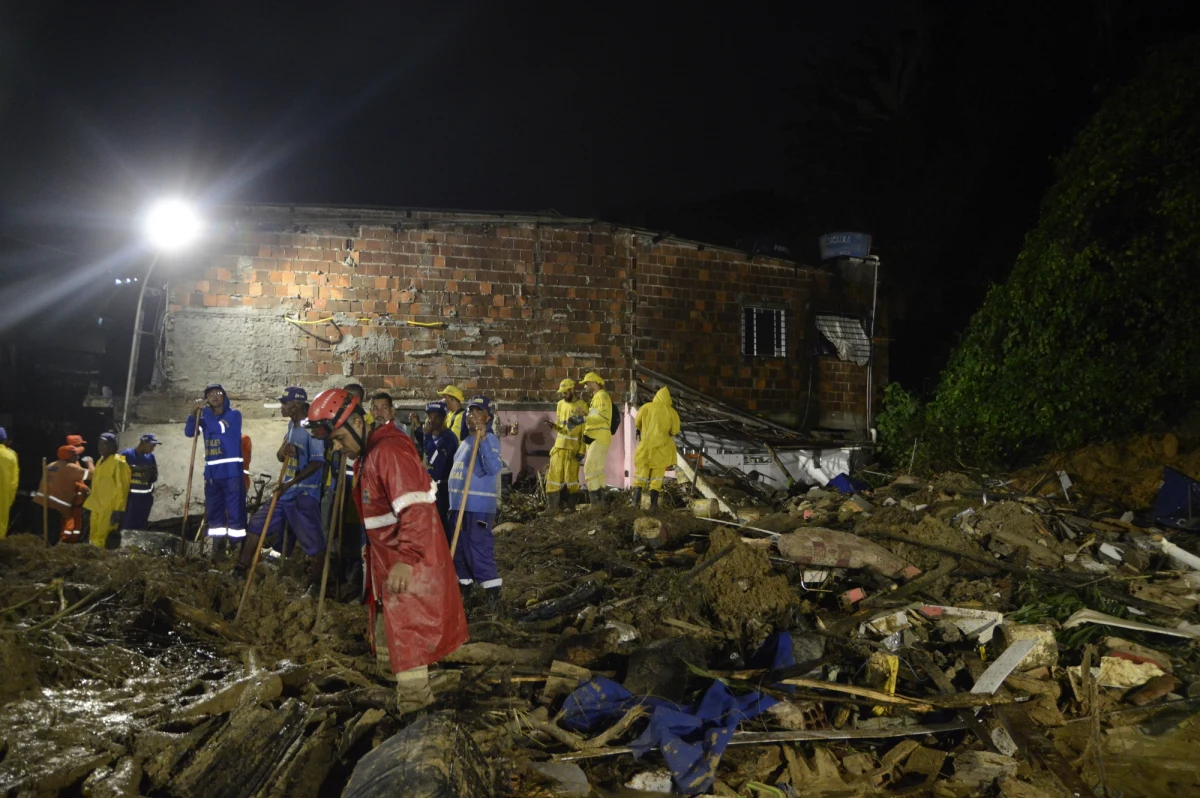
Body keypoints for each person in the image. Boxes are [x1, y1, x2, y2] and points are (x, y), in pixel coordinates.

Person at [303, 387, 467, 711]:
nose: (337, 448)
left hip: (405, 560)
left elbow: (416, 508)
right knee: (390, 630)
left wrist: (406, 559)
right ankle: (396, 684)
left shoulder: (389, 451)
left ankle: (415, 706)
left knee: (408, 635)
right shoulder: (371, 453)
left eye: (339, 439)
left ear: (357, 423)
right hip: (386, 561)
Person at [236, 387, 326, 593]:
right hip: (285, 491)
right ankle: (240, 569)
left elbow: (317, 463)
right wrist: (284, 451)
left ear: (297, 405)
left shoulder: (313, 429)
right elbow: (280, 456)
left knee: (312, 542)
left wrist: (290, 483)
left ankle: (317, 585)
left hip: (304, 493)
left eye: (285, 403)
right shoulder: (291, 425)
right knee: (257, 523)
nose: (282, 407)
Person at [447, 396, 504, 609]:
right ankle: (464, 592)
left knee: (478, 548)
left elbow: (493, 468)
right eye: (470, 411)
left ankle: (493, 597)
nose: (473, 416)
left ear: (488, 417)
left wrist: (484, 438)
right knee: (460, 552)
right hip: (458, 507)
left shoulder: (490, 440)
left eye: (479, 412)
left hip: (477, 508)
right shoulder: (464, 443)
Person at [184, 383, 247, 543]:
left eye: (218, 393)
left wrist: (204, 412)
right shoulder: (206, 418)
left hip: (231, 474)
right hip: (212, 475)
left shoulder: (233, 415)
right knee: (214, 514)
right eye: (210, 394)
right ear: (206, 398)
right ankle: (217, 548)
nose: (214, 396)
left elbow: (217, 428)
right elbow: (190, 432)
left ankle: (236, 547)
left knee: (235, 512)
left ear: (224, 396)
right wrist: (193, 414)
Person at [410, 401, 457, 537]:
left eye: (436, 417)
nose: (432, 420)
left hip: (443, 489)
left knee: (442, 525)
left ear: (444, 418)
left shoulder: (448, 438)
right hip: (431, 487)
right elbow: (426, 443)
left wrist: (427, 436)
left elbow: (436, 459)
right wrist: (418, 426)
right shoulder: (431, 435)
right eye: (430, 416)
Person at [543, 379, 588, 514]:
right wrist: (554, 427)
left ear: (572, 389)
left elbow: (585, 431)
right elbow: (562, 427)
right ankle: (552, 508)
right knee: (553, 476)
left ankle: (571, 507)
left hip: (573, 449)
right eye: (561, 393)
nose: (563, 395)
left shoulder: (582, 406)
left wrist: (582, 450)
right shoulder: (560, 405)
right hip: (559, 447)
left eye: (565, 392)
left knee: (571, 478)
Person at [632, 387, 681, 511]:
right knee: (657, 479)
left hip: (645, 448)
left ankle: (635, 505)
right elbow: (675, 431)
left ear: (656, 396)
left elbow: (637, 423)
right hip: (661, 450)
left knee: (640, 477)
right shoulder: (671, 412)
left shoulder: (646, 407)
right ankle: (653, 507)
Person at [82, 432, 131, 549]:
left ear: (113, 446)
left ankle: (100, 557)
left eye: (104, 444)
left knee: (102, 537)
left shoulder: (119, 462)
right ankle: (93, 556)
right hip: (96, 506)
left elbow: (123, 487)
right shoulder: (100, 461)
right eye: (99, 444)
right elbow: (97, 484)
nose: (100, 447)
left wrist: (118, 510)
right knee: (93, 535)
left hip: (109, 507)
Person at [33, 445, 90, 544]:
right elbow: (91, 474)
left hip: (39, 504)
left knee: (39, 535)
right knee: (51, 538)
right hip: (54, 508)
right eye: (76, 455)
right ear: (70, 457)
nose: (78, 458)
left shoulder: (50, 465)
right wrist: (90, 462)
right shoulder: (70, 467)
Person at [580, 372, 613, 510]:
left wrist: (585, 417)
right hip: (596, 436)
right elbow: (596, 416)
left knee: (589, 468)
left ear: (593, 382)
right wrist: (586, 415)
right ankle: (602, 504)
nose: (585, 386)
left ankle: (596, 505)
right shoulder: (596, 397)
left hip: (599, 437)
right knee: (597, 470)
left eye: (586, 383)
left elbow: (603, 417)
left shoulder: (601, 396)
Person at [120, 434, 160, 531]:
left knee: (141, 527)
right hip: (129, 498)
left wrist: (150, 476)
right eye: (151, 446)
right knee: (127, 525)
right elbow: (117, 469)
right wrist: (136, 469)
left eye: (154, 447)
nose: (152, 449)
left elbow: (155, 476)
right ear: (143, 443)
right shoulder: (126, 454)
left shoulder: (151, 457)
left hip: (145, 499)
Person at [0, 428, 18, 539]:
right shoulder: (10, 456)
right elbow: (14, 482)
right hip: (3, 499)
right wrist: (9, 500)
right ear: (4, 440)